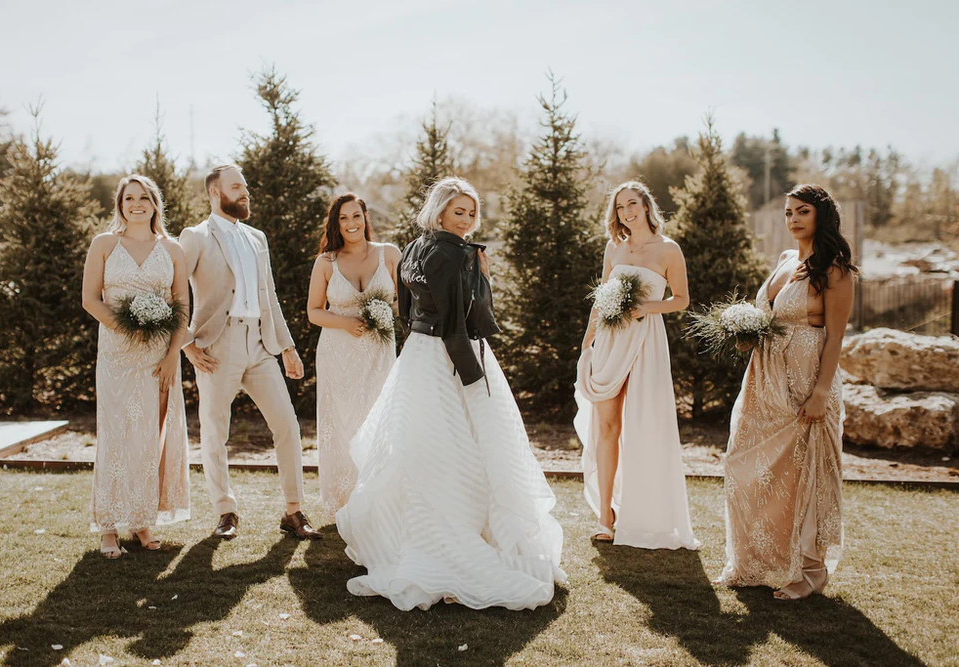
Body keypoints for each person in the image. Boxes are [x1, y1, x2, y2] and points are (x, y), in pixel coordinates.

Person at [336, 176, 566, 610]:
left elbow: (407, 307)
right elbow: (468, 318)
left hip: (418, 354)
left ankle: (409, 533)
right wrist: (474, 375)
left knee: (417, 444)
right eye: (458, 211)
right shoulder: (459, 253)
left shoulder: (415, 247)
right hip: (451, 354)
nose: (466, 219)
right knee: (468, 445)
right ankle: (458, 536)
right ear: (440, 211)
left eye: (471, 212)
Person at [716, 184, 856, 600]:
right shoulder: (783, 260)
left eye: (803, 211)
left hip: (806, 377)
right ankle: (752, 563)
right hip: (764, 380)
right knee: (744, 463)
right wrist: (746, 333)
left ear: (821, 216)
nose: (793, 219)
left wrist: (820, 392)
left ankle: (808, 572)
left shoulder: (835, 270)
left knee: (801, 473)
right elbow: (771, 316)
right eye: (788, 212)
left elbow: (835, 338)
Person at [178, 164, 319, 541]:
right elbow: (174, 293)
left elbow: (268, 296)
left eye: (245, 187)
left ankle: (294, 512)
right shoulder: (194, 237)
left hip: (259, 345)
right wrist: (187, 345)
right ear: (214, 192)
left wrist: (287, 347)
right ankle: (225, 511)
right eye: (236, 187)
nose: (245, 193)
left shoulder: (257, 238)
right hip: (215, 347)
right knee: (214, 432)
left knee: (287, 425)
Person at [575, 181, 700, 549]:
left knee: (644, 424)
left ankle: (644, 513)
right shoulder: (614, 247)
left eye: (632, 203)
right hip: (611, 342)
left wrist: (645, 307)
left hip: (646, 341)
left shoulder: (668, 249)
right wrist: (588, 343)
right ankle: (605, 516)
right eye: (619, 207)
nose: (626, 211)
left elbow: (681, 300)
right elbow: (600, 299)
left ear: (647, 206)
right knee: (607, 425)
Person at [82, 174, 190, 559]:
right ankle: (108, 526)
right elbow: (90, 300)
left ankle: (141, 520)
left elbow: (182, 308)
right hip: (116, 353)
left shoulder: (172, 249)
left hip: (158, 358)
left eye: (144, 197)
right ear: (120, 204)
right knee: (115, 434)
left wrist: (172, 354)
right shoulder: (105, 244)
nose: (137, 204)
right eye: (130, 198)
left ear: (155, 203)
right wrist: (129, 328)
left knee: (150, 437)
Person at [307, 192, 399, 519]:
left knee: (378, 421)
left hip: (379, 353)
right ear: (336, 223)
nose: (351, 224)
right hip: (338, 354)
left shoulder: (389, 254)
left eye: (356, 216)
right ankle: (345, 501)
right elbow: (314, 312)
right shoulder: (326, 262)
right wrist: (344, 321)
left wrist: (387, 315)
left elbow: (406, 304)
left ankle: (378, 497)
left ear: (365, 217)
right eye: (343, 218)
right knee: (342, 424)